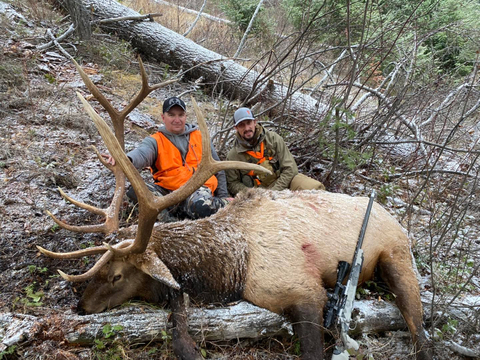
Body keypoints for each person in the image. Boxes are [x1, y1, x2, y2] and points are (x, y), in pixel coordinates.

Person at [105, 96, 231, 220]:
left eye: (181, 115)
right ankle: (171, 223)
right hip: (168, 193)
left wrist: (224, 196)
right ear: (163, 117)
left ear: (185, 116)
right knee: (136, 192)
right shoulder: (155, 141)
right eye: (171, 115)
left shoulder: (201, 137)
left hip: (197, 191)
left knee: (201, 206)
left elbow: (217, 168)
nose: (177, 119)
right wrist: (125, 158)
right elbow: (142, 154)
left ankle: (222, 205)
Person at [226, 107, 325, 196]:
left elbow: (290, 169)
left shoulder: (273, 139)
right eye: (242, 125)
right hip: (258, 195)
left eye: (249, 123)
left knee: (314, 188)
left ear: (255, 122)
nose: (247, 128)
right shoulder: (233, 156)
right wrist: (251, 193)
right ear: (236, 128)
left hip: (283, 184)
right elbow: (232, 183)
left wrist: (275, 191)